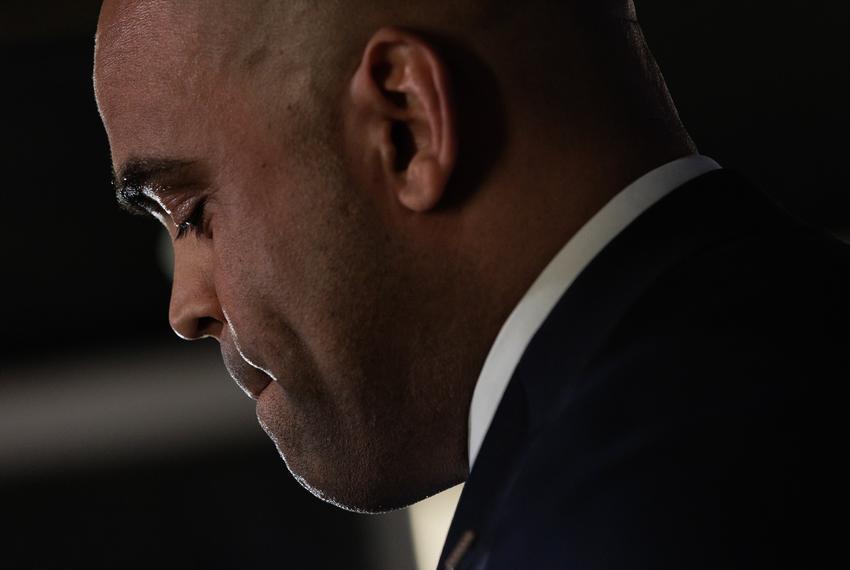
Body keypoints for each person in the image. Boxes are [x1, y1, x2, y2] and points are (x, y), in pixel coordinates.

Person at [94, 0, 849, 567]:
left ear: (407, 125)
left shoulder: (630, 509)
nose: (185, 308)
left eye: (190, 212)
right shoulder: (768, 355)